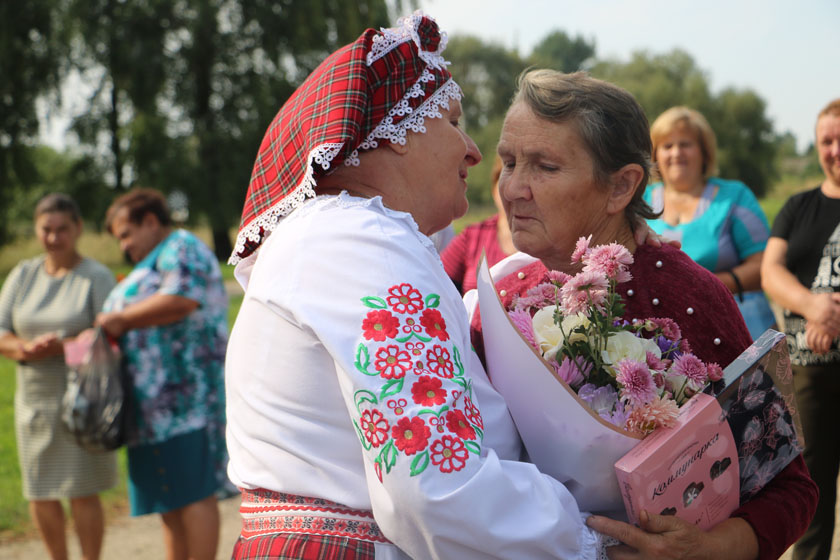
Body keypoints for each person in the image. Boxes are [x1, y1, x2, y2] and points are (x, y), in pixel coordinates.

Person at [225, 12, 629, 559]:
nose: (473, 150)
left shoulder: (333, 236)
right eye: (453, 122)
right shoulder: (359, 239)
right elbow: (437, 485)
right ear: (396, 131)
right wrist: (590, 543)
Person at [468, 69, 818, 560]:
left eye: (544, 167)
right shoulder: (499, 302)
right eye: (508, 162)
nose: (513, 189)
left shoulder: (688, 295)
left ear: (621, 187)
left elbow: (791, 488)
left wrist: (711, 548)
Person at [95, 188, 228, 560]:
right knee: (169, 501)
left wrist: (119, 319)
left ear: (151, 221)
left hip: (186, 400)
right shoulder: (158, 256)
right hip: (155, 408)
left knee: (192, 495)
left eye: (126, 234)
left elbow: (180, 299)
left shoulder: (181, 247)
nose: (124, 246)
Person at [0, 193, 117, 560]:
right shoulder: (23, 274)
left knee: (83, 490)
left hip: (83, 400)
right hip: (34, 400)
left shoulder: (95, 277)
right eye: (46, 230)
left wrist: (63, 348)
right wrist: (24, 348)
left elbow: (111, 341)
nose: (53, 238)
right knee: (40, 490)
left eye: (61, 229)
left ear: (78, 228)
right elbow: (1, 330)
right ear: (36, 230)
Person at [761, 98, 840, 560]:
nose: (835, 149)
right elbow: (771, 272)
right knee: (812, 498)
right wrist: (814, 307)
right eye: (826, 141)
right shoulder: (798, 206)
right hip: (810, 374)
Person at [643, 106, 777, 340]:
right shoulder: (640, 201)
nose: (676, 153)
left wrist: (706, 286)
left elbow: (765, 263)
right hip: (663, 338)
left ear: (704, 152)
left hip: (736, 327)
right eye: (667, 146)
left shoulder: (734, 197)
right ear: (655, 156)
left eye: (685, 144)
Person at [441, 155, 517, 294]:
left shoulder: (551, 240)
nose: (513, 193)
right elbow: (437, 282)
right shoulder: (473, 236)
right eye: (506, 182)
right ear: (494, 189)